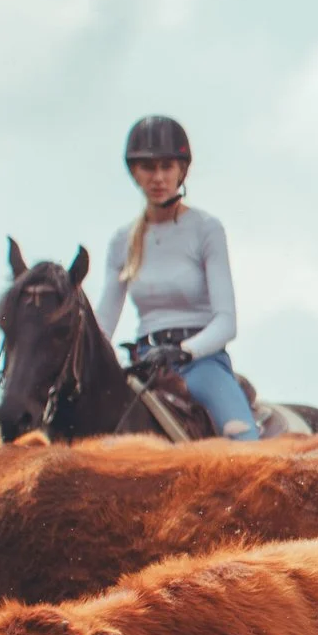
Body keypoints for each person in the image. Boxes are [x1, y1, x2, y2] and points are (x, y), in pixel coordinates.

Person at [92, 114, 260, 440]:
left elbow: (227, 322)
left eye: (167, 167)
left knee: (243, 442)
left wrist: (183, 351)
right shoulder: (121, 242)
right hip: (143, 367)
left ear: (182, 171)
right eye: (148, 167)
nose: (158, 177)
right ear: (134, 173)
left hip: (201, 365)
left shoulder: (206, 229)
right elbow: (103, 326)